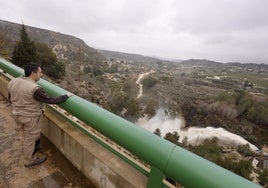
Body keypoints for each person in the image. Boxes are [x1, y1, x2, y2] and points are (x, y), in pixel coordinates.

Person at [7, 63, 73, 167]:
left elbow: (10, 97)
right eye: (40, 72)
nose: (41, 75)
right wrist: (66, 96)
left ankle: (33, 149)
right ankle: (29, 160)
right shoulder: (35, 88)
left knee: (27, 134)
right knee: (30, 138)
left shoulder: (14, 81)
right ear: (33, 73)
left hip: (17, 114)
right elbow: (50, 100)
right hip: (30, 117)